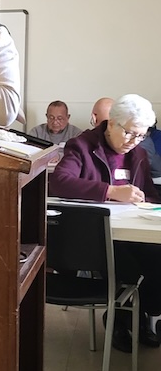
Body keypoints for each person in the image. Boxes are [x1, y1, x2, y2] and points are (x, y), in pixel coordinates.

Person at [49, 94, 161, 352]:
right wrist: (110, 191)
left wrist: (148, 202)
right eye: (130, 133)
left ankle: (142, 316)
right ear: (111, 123)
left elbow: (150, 195)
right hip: (97, 237)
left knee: (157, 259)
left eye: (141, 136)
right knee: (128, 268)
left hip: (133, 231)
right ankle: (120, 320)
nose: (134, 142)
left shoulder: (139, 154)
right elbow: (60, 181)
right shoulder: (82, 146)